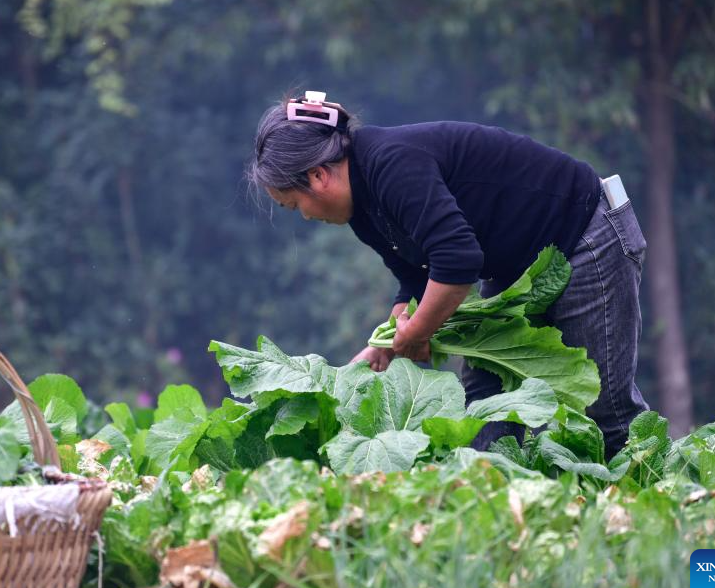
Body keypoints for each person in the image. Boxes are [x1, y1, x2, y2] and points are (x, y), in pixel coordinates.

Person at [246, 91, 649, 459]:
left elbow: (457, 264)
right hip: (519, 269)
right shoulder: (363, 210)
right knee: (487, 404)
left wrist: (417, 332)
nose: (306, 215)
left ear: (317, 176)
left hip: (586, 235)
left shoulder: (391, 164)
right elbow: (416, 277)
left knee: (606, 416)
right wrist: (385, 342)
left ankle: (654, 497)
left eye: (293, 204)